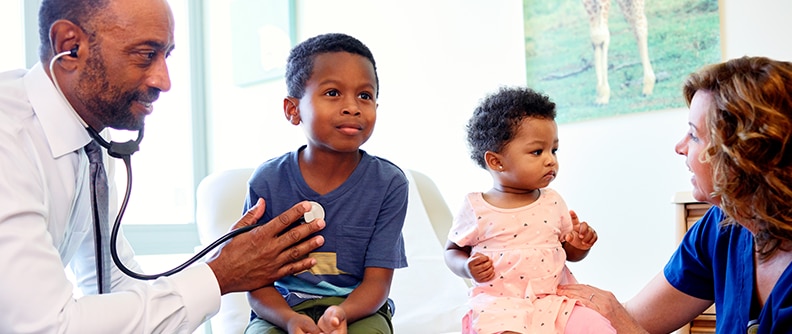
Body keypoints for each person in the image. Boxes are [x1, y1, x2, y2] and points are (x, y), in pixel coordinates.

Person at [0, 0, 326, 332]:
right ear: (69, 46)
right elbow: (47, 327)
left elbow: (115, 284)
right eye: (145, 55)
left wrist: (220, 263)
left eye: (165, 56)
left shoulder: (91, 142)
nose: (164, 81)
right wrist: (222, 275)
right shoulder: (8, 143)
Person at [557, 56, 792, 333]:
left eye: (694, 136)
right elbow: (632, 320)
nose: (679, 147)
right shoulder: (722, 226)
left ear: (743, 155)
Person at [242, 33, 408, 334]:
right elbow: (257, 284)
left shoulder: (390, 185)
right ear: (293, 110)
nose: (353, 107)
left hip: (358, 309)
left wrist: (341, 314)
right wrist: (290, 319)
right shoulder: (267, 181)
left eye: (364, 96)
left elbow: (377, 283)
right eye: (333, 93)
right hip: (281, 309)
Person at [444, 87, 615, 334]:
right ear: (496, 161)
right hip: (500, 305)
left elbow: (568, 252)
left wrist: (579, 244)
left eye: (553, 150)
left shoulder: (553, 201)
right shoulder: (476, 207)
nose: (550, 160)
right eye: (537, 151)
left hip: (555, 300)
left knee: (598, 326)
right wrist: (467, 266)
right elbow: (452, 251)